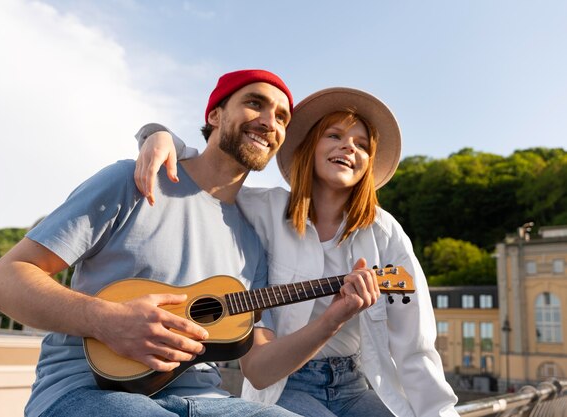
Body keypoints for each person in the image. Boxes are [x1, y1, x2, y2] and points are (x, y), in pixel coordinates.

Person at [0, 70, 380, 417]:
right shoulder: (135, 180)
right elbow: (1, 282)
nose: (268, 121)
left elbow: (259, 367)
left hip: (208, 399)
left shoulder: (254, 240)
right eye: (254, 103)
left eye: (281, 117)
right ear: (214, 115)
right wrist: (105, 319)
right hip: (87, 392)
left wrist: (334, 319)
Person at [134, 87, 460, 416]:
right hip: (285, 385)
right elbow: (205, 180)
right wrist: (161, 137)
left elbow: (415, 346)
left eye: (362, 145)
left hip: (354, 384)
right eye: (335, 135)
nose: (349, 147)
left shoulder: (385, 232)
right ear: (309, 147)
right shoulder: (262, 209)